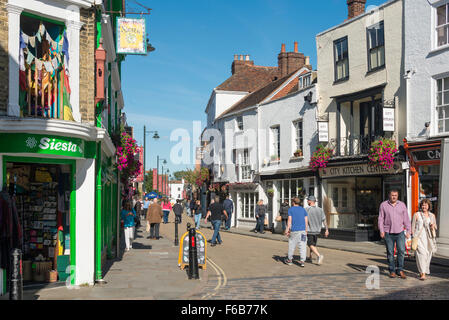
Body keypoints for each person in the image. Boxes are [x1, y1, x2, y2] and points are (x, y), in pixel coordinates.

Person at [378, 189, 411, 279]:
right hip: (388, 232)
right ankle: (392, 270)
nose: (394, 197)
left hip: (400, 232)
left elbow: (406, 219)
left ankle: (400, 270)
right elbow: (381, 218)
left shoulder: (402, 205)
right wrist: (381, 230)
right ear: (389, 195)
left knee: (401, 251)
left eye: (395, 195)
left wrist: (408, 231)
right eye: (392, 195)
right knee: (390, 252)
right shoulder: (383, 205)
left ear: (398, 196)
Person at [412, 199, 438, 281]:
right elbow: (412, 227)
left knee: (427, 255)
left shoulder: (432, 216)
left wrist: (432, 226)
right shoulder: (416, 215)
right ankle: (423, 273)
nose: (424, 206)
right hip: (419, 238)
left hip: (429, 239)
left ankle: (423, 270)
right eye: (423, 205)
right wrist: (412, 237)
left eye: (426, 205)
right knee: (421, 254)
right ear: (421, 206)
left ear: (429, 206)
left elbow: (436, 227)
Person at [284, 197, 308, 267]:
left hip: (294, 230)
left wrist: (287, 230)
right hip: (303, 231)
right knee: (303, 246)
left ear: (293, 202)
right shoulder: (303, 209)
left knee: (292, 245)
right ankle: (302, 261)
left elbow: (289, 221)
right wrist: (306, 230)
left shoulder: (291, 209)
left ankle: (290, 260)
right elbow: (306, 220)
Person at [305, 196, 329, 265]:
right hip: (317, 231)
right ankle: (310, 256)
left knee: (310, 244)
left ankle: (319, 255)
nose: (307, 201)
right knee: (313, 244)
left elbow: (304, 220)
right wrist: (326, 229)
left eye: (307, 200)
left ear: (310, 201)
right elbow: (324, 220)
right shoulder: (320, 209)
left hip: (310, 230)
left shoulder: (306, 209)